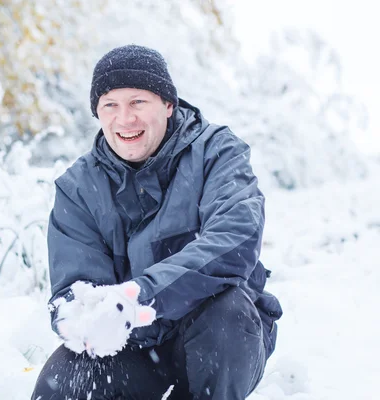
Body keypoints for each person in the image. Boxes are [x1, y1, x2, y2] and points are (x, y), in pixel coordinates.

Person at [31, 44, 282, 400]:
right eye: (110, 106)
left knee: (226, 316)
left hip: (219, 337)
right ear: (97, 114)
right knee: (66, 379)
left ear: (168, 105)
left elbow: (234, 239)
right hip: (135, 347)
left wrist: (140, 297)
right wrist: (76, 320)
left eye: (138, 102)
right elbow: (75, 284)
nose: (125, 119)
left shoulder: (217, 153)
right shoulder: (78, 187)